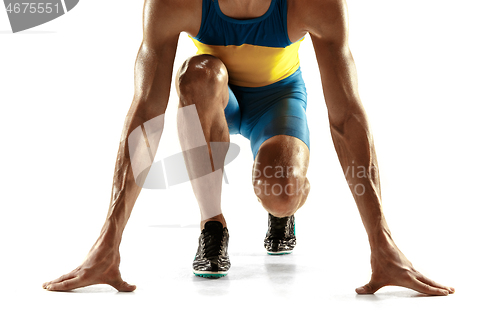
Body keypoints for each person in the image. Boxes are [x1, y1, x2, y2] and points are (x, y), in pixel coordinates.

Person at [42, 0, 455, 295]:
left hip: (278, 102)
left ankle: (282, 215)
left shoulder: (311, 4)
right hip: (210, 93)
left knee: (283, 193)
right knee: (197, 75)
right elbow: (145, 118)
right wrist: (108, 240)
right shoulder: (174, 2)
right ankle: (212, 226)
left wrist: (381, 242)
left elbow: (346, 117)